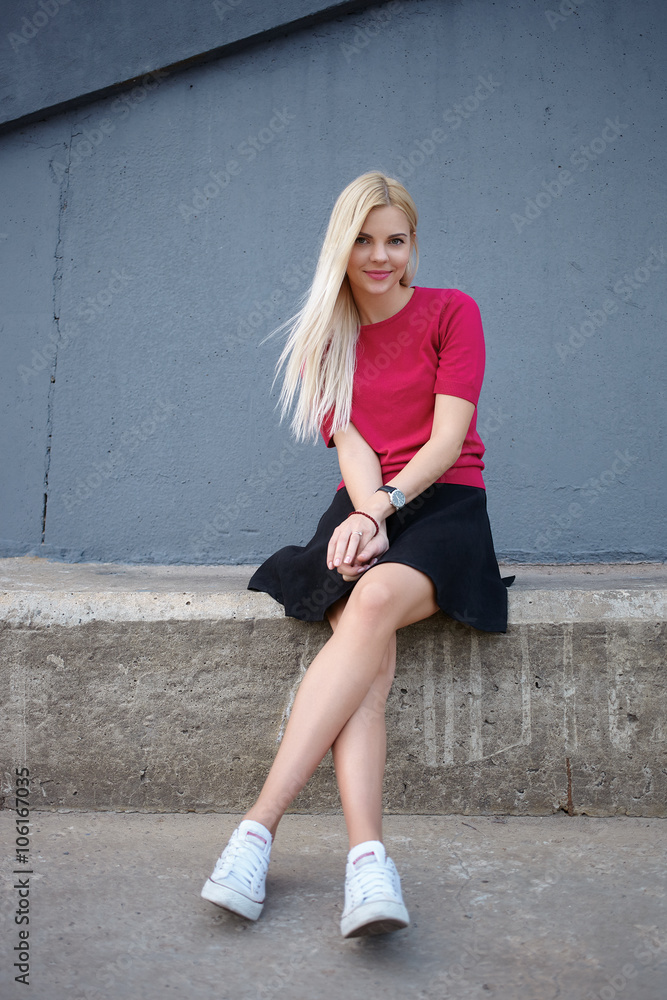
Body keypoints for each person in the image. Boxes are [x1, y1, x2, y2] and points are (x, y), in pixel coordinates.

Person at [201, 170, 514, 938]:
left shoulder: (452, 312)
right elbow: (353, 447)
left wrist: (383, 510)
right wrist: (364, 516)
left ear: (412, 246)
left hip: (442, 502)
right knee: (364, 662)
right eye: (363, 240)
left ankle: (256, 829)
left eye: (394, 239)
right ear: (341, 248)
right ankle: (367, 862)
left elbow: (446, 441)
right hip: (365, 503)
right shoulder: (325, 338)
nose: (379, 256)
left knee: (369, 603)